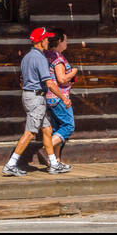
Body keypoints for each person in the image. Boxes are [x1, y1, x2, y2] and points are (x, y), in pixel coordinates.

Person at [3, 27, 71, 176]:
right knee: (30, 132)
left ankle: (53, 164)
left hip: (30, 96)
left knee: (47, 130)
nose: (48, 41)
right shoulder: (39, 58)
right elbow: (50, 83)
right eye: (46, 38)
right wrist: (63, 98)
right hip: (36, 98)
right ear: (40, 41)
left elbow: (22, 79)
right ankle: (11, 164)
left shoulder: (27, 57)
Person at [43, 31, 78, 171]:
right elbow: (62, 79)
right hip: (59, 97)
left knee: (57, 129)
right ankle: (47, 148)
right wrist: (74, 72)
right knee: (69, 126)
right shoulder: (57, 57)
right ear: (59, 41)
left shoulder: (46, 55)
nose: (67, 43)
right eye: (65, 40)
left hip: (49, 98)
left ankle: (55, 162)